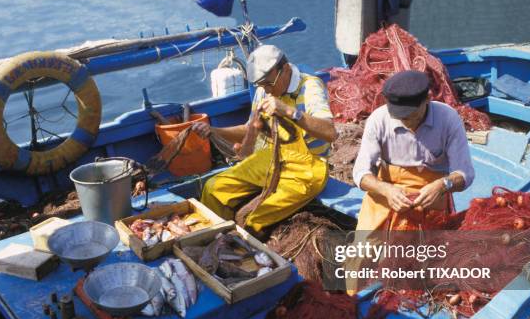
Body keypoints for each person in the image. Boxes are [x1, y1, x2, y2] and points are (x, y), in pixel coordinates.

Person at [191, 45, 338, 234]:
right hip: (272, 157)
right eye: (261, 85)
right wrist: (214, 130)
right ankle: (210, 239)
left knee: (256, 219)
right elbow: (249, 129)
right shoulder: (264, 90)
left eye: (269, 83)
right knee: (213, 188)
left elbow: (330, 132)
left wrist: (290, 112)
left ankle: (246, 250)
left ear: (284, 70)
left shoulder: (310, 86)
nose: (266, 90)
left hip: (308, 168)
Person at [353, 70, 475, 231]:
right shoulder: (378, 119)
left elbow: (465, 173)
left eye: (411, 115)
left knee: (430, 253)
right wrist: (386, 189)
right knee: (363, 253)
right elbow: (360, 173)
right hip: (386, 195)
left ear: (427, 99)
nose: (405, 120)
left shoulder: (448, 119)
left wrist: (442, 185)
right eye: (399, 116)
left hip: (432, 197)